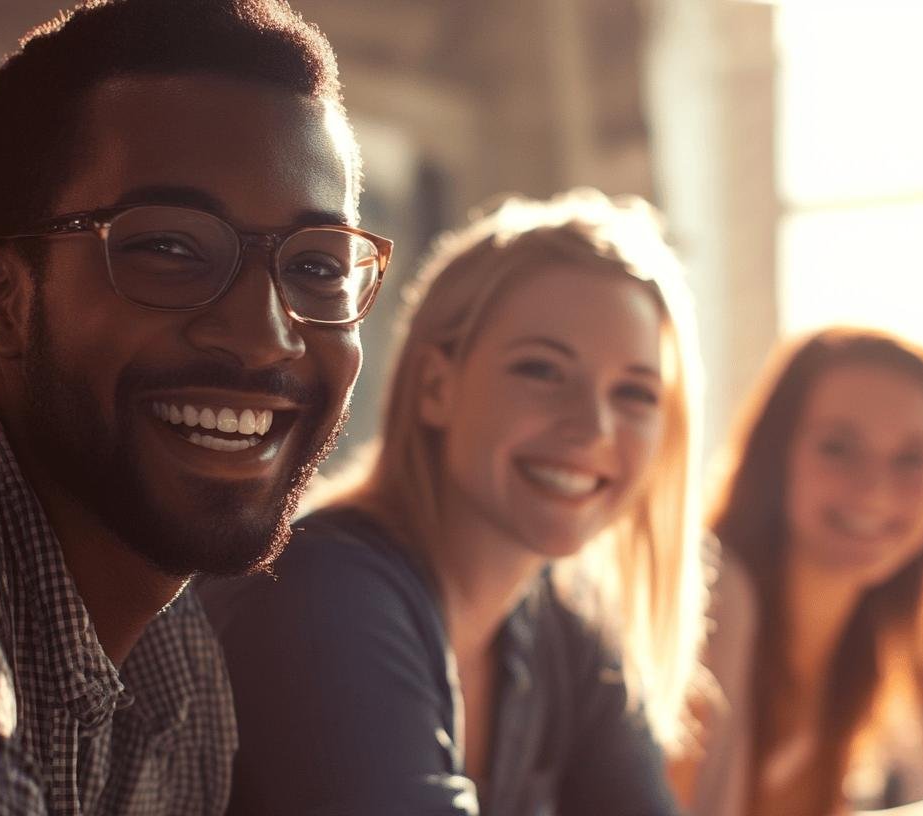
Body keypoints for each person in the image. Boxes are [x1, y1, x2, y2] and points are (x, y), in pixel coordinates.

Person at [0, 1, 387, 812]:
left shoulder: (174, 653)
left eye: (319, 267)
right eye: (169, 249)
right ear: (2, 299)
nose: (263, 340)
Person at [201, 189, 707, 815]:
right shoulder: (323, 592)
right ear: (437, 386)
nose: (595, 428)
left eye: (635, 393)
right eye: (542, 371)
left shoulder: (566, 626)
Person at [681, 328, 923, 816]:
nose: (875, 489)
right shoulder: (706, 607)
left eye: (911, 460)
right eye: (838, 448)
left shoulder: (883, 630)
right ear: (776, 456)